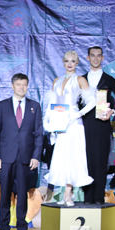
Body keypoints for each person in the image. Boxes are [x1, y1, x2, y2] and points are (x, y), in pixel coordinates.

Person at [0, 74, 43, 230]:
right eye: (18, 84)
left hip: (25, 158)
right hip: (5, 157)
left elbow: (39, 134)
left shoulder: (34, 106)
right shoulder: (2, 106)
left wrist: (36, 156)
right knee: (5, 195)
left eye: (24, 85)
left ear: (28, 86)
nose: (22, 87)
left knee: (22, 195)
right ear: (12, 86)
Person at [44, 51, 95, 206]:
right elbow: (52, 103)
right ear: (63, 62)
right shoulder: (57, 80)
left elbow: (93, 101)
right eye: (67, 61)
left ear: (77, 63)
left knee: (73, 156)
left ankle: (67, 194)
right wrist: (47, 120)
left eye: (73, 61)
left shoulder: (80, 80)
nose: (70, 64)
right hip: (59, 120)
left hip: (73, 123)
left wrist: (77, 114)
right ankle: (66, 193)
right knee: (62, 157)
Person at [81, 46, 115, 204]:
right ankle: (87, 198)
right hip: (85, 125)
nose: (95, 58)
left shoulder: (108, 79)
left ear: (102, 58)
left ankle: (99, 198)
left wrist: (112, 112)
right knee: (87, 161)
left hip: (102, 125)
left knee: (101, 161)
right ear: (88, 58)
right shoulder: (82, 79)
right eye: (93, 55)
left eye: (98, 55)